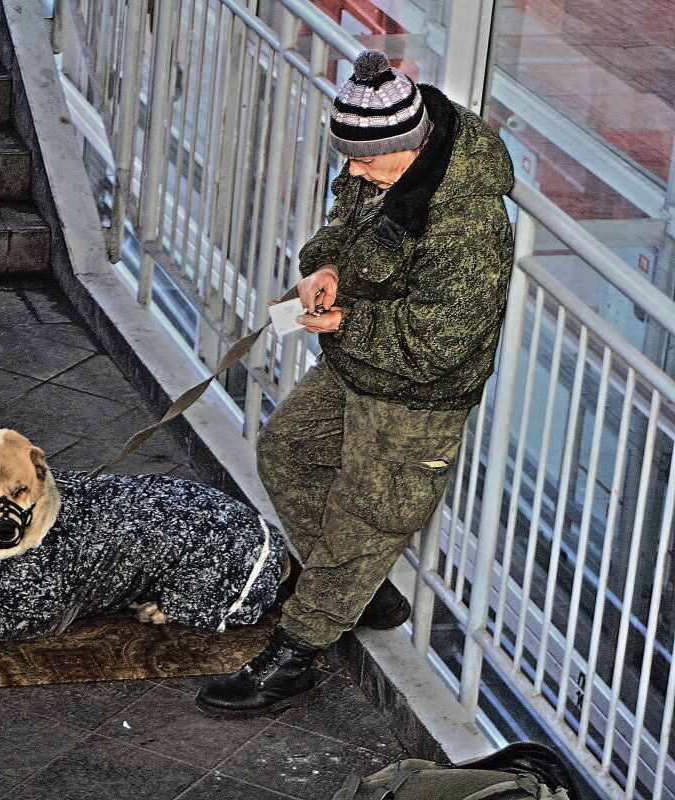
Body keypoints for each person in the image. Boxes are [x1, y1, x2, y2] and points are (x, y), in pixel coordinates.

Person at [196, 50, 515, 717]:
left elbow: (435, 346)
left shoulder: (467, 225)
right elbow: (342, 228)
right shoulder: (383, 161)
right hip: (355, 367)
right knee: (287, 452)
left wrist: (343, 321)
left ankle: (293, 656)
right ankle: (360, 588)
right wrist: (324, 270)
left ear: (409, 146)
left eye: (364, 161)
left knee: (362, 520)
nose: (352, 170)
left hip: (414, 402)